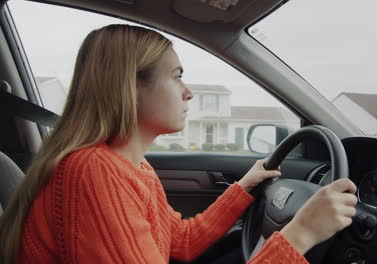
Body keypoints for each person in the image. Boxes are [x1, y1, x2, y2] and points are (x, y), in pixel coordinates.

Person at [0, 24, 357, 264]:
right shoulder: (94, 173)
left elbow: (181, 241)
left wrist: (244, 187)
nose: (188, 93)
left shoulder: (131, 166)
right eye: (176, 77)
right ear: (129, 87)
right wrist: (301, 233)